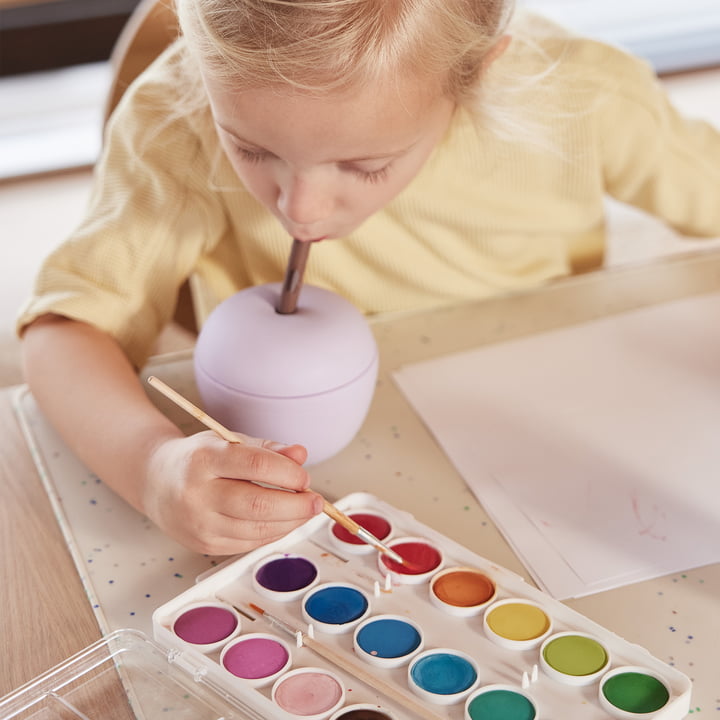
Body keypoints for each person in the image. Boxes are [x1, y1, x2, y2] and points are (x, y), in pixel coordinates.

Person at [17, 0, 720, 556]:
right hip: (330, 496)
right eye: (253, 148)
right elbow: (62, 331)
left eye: (363, 166)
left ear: (475, 74)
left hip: (559, 460)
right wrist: (152, 467)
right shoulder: (180, 118)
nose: (301, 208)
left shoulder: (583, 96)